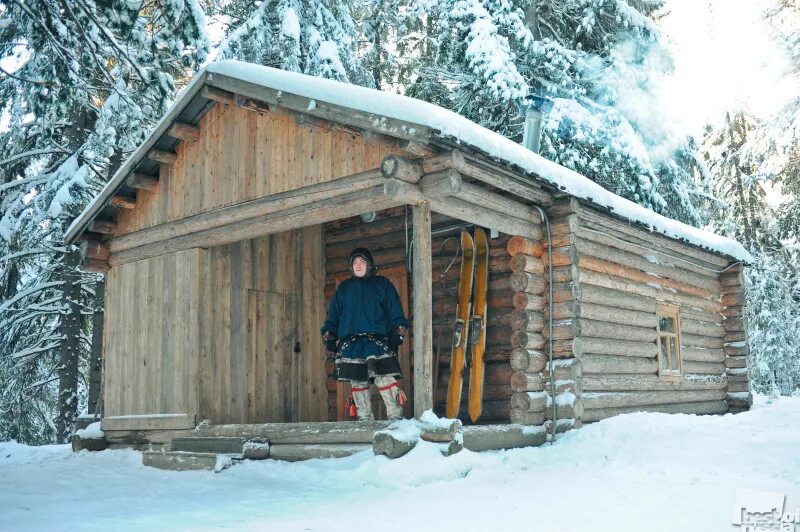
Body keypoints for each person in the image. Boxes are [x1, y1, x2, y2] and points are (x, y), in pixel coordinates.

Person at [321, 247, 410, 421]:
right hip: (352, 344)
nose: (358, 265)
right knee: (358, 382)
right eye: (355, 262)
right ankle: (364, 420)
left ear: (369, 264)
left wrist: (398, 330)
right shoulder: (344, 289)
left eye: (362, 261)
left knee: (384, 379)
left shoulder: (382, 284)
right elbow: (333, 315)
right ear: (351, 267)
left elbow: (395, 311)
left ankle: (396, 419)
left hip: (376, 342)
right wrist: (330, 334)